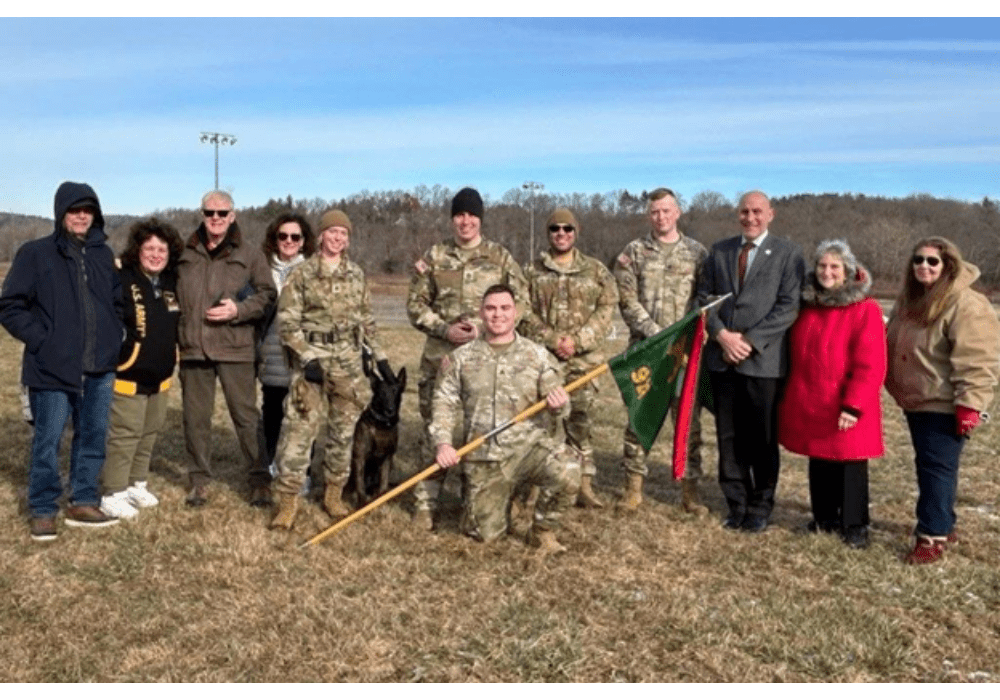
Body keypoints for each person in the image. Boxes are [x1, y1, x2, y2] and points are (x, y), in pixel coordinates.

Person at [0, 182, 123, 540]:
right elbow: (10, 306)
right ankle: (42, 507)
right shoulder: (36, 253)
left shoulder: (103, 255)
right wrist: (44, 340)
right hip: (52, 367)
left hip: (100, 366)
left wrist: (115, 335)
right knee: (48, 439)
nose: (81, 216)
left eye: (88, 210)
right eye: (74, 210)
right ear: (61, 214)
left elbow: (116, 303)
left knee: (93, 435)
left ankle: (83, 499)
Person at [406, 187, 528, 530]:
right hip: (440, 360)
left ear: (480, 219)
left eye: (472, 215)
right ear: (452, 219)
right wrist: (444, 329)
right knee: (435, 430)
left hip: (485, 362)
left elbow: (522, 302)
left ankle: (472, 500)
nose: (466, 221)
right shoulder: (434, 256)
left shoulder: (500, 257)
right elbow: (415, 305)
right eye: (459, 215)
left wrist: (487, 327)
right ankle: (426, 502)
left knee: (481, 430)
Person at [432, 284, 579, 556]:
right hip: (484, 456)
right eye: (490, 308)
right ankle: (501, 502)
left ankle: (543, 531)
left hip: (528, 449)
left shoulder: (538, 355)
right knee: (485, 536)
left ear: (516, 312)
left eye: (504, 308)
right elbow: (443, 403)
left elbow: (561, 407)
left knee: (569, 469)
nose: (497, 314)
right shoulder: (459, 359)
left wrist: (559, 406)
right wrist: (443, 444)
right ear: (481, 313)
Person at [269, 209, 388, 530]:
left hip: (348, 363)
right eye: (332, 232)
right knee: (299, 431)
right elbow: (287, 322)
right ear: (321, 236)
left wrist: (381, 358)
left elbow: (366, 319)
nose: (337, 238)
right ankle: (288, 502)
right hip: (312, 363)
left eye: (343, 233)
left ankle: (333, 494)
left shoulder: (356, 274)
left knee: (342, 433)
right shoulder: (303, 274)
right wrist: (307, 358)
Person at [695, 190, 805, 533]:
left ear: (771, 214)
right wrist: (721, 335)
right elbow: (703, 299)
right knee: (728, 437)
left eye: (757, 211)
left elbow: (788, 306)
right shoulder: (720, 251)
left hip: (763, 362)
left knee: (762, 437)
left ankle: (760, 505)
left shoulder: (788, 253)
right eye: (744, 211)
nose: (750, 218)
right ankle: (736, 503)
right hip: (723, 358)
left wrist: (749, 341)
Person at [886, 237, 1000, 564]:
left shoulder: (966, 304)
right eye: (918, 260)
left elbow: (978, 358)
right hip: (916, 398)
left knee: (935, 468)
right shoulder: (910, 299)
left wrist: (970, 404)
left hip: (945, 402)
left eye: (932, 261)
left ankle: (931, 535)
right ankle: (944, 524)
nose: (924, 266)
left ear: (949, 265)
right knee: (934, 466)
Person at [778, 240, 886, 549]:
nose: (827, 272)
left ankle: (854, 525)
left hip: (845, 401)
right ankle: (824, 518)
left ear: (848, 271)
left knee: (850, 463)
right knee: (820, 460)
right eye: (822, 266)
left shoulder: (864, 309)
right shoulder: (808, 307)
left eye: (835, 267)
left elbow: (871, 364)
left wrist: (854, 405)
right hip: (812, 399)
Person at [176, 191, 276, 508]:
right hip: (194, 349)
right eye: (210, 213)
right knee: (195, 419)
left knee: (246, 418)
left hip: (236, 348)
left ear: (233, 216)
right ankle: (199, 481)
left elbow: (267, 295)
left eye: (222, 213)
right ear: (202, 214)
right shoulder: (185, 253)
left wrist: (239, 310)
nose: (215, 218)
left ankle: (260, 480)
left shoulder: (250, 254)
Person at [613, 188, 710, 514]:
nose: (661, 217)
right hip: (647, 352)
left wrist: (685, 335)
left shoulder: (697, 253)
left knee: (689, 425)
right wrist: (657, 334)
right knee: (639, 420)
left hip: (684, 355)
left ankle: (690, 491)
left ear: (677, 212)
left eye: (666, 210)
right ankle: (632, 488)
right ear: (648, 215)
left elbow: (703, 299)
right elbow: (626, 300)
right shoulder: (634, 252)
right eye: (655, 212)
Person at [520, 207, 618, 508]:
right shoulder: (531, 271)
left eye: (567, 229)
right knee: (542, 425)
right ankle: (537, 486)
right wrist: (551, 339)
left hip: (583, 363)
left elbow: (606, 310)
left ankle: (583, 485)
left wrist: (578, 341)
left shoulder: (596, 271)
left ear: (576, 232)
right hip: (543, 362)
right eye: (555, 229)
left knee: (580, 424)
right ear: (548, 233)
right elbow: (522, 311)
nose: (561, 234)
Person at [99, 218, 185, 519]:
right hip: (130, 373)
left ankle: (136, 482)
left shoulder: (170, 281)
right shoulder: (122, 276)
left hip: (161, 375)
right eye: (149, 248)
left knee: (149, 432)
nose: (155, 255)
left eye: (162, 249)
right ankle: (113, 491)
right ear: (138, 250)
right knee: (126, 434)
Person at [256, 213, 315, 495]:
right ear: (274, 239)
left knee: (304, 414)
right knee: (272, 412)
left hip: (303, 353)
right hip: (271, 350)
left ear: (303, 241)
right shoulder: (261, 269)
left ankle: (303, 473)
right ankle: (270, 465)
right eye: (283, 236)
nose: (289, 241)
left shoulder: (312, 271)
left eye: (295, 237)